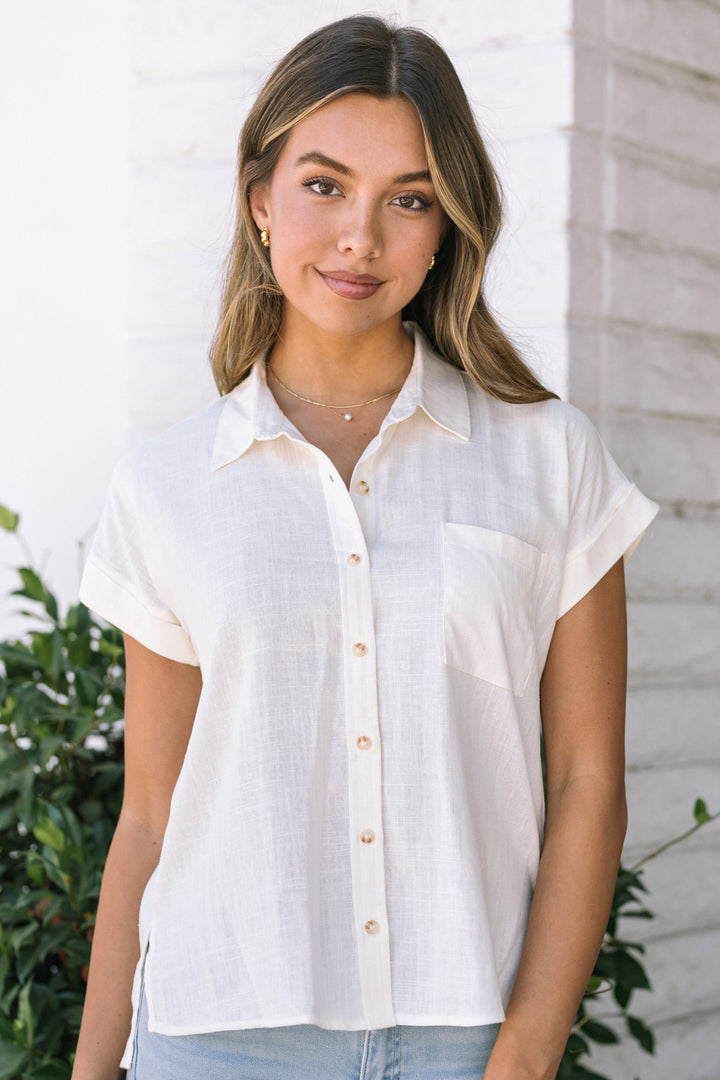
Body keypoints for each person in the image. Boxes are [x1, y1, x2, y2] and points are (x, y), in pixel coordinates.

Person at [72, 15, 658, 1080]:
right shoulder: (164, 488)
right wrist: (90, 1065)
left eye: (410, 199)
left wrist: (522, 1054)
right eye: (325, 185)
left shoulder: (549, 460)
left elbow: (586, 780)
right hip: (216, 1036)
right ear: (259, 201)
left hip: (469, 1034)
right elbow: (151, 814)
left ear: (448, 227)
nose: (360, 240)